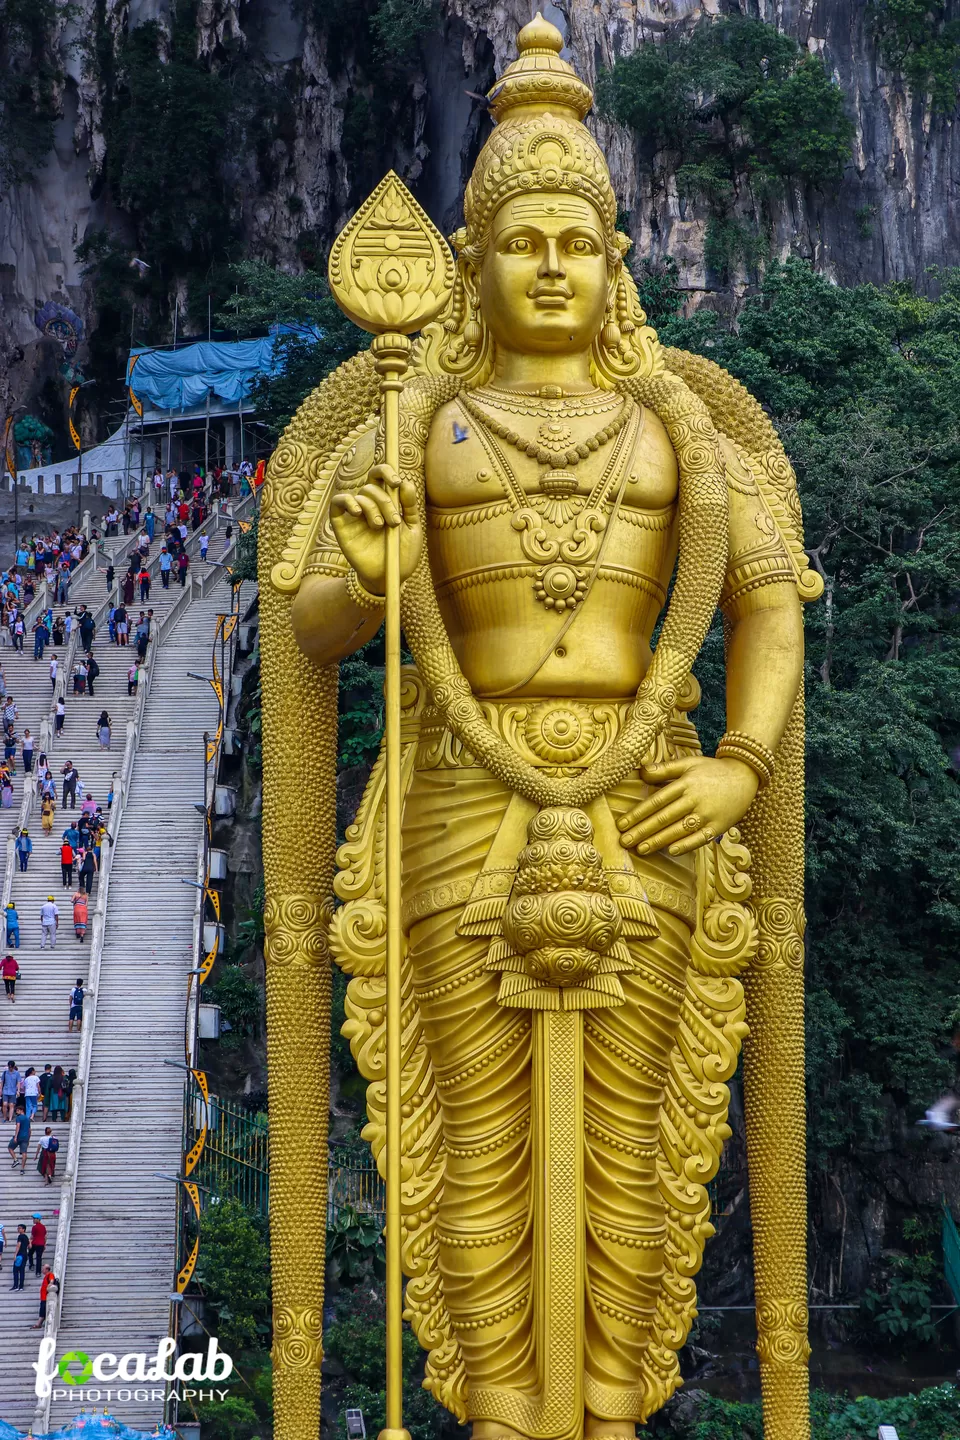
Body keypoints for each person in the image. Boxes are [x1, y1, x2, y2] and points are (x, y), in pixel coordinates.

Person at [8, 1112, 31, 1177]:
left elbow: (18, 1126)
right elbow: (29, 1130)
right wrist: (28, 1138)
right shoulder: (27, 1118)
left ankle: (15, 1160)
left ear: (20, 1110)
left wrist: (15, 1136)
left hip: (19, 1137)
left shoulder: (19, 1118)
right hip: (25, 1137)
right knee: (24, 1153)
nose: (16, 1112)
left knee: (10, 1148)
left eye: (17, 1111)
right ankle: (22, 1169)